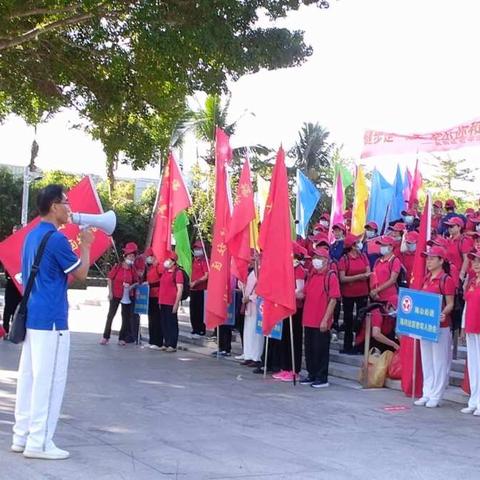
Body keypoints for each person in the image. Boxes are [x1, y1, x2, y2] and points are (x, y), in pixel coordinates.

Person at [12, 185, 93, 460]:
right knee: (49, 381)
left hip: (34, 315)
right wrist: (85, 245)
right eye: (66, 202)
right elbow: (81, 273)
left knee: (29, 378)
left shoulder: (32, 236)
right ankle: (40, 443)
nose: (70, 208)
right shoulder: (57, 240)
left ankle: (21, 436)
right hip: (52, 320)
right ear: (54, 206)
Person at [414, 246, 455, 408]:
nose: (428, 261)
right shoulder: (426, 278)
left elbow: (450, 303)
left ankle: (436, 394)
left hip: (441, 326)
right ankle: (427, 392)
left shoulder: (446, 279)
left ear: (441, 260)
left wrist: (443, 313)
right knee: (427, 359)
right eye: (428, 258)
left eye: (432, 258)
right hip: (425, 325)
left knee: (439, 360)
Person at [300, 247, 341, 388]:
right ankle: (311, 374)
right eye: (314, 257)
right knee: (310, 349)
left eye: (318, 257)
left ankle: (321, 377)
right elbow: (303, 294)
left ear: (325, 260)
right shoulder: (312, 275)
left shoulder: (331, 276)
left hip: (321, 320)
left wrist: (325, 319)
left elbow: (333, 299)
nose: (314, 260)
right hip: (309, 318)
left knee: (320, 349)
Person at [273, 241, 306, 381]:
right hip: (284, 308)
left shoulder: (299, 270)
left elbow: (300, 292)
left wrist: (286, 293)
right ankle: (285, 367)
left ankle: (294, 369)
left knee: (294, 339)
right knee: (284, 338)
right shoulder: (286, 268)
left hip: (295, 309)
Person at [100, 242, 139, 346]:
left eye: (133, 257)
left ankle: (122, 338)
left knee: (125, 317)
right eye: (130, 256)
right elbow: (110, 278)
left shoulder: (132, 269)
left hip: (127, 296)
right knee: (111, 315)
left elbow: (136, 281)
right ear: (125, 256)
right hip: (116, 294)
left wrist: (131, 286)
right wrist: (110, 292)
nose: (131, 258)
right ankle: (106, 336)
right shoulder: (117, 267)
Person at [338, 234, 370, 354]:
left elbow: (368, 271)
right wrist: (359, 277)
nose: (359, 244)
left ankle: (359, 346)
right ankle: (347, 346)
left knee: (360, 320)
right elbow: (342, 278)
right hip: (348, 294)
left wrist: (360, 277)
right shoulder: (344, 259)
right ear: (352, 246)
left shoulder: (363, 256)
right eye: (357, 242)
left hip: (362, 292)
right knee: (348, 319)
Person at [461, 249, 480, 415]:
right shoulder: (473, 281)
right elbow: (467, 306)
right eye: (474, 261)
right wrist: (462, 326)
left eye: (479, 261)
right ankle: (474, 400)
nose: (476, 264)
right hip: (471, 327)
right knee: (474, 365)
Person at [158, 251, 184, 352]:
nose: (166, 261)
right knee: (164, 322)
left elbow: (180, 289)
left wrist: (176, 303)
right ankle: (166, 342)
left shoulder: (178, 273)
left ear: (173, 262)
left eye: (168, 260)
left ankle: (172, 344)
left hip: (171, 302)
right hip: (163, 301)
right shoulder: (165, 271)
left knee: (171, 323)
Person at [240, 260, 263, 367]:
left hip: (257, 307)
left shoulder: (261, 272)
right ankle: (248, 355)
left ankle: (256, 357)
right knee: (248, 332)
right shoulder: (251, 273)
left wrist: (249, 297)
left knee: (256, 334)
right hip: (248, 306)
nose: (252, 262)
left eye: (255, 260)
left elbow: (262, 292)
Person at [370, 236, 402, 304]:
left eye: (384, 245)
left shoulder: (395, 261)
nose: (381, 247)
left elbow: (392, 280)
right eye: (381, 245)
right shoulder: (378, 260)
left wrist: (377, 290)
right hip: (377, 296)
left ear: (391, 247)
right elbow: (373, 276)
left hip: (389, 297)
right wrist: (373, 291)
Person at [144, 248, 163, 350]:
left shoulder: (158, 267)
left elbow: (162, 281)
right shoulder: (150, 268)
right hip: (150, 296)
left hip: (157, 296)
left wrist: (150, 284)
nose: (147, 258)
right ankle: (152, 341)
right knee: (151, 319)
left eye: (148, 256)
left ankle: (158, 342)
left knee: (157, 319)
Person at [189, 240, 209, 336]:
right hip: (193, 289)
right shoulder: (194, 261)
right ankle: (195, 328)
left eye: (198, 248)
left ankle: (201, 329)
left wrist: (196, 282)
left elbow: (206, 276)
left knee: (200, 310)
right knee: (193, 310)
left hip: (201, 289)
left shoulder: (205, 261)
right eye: (195, 248)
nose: (196, 250)